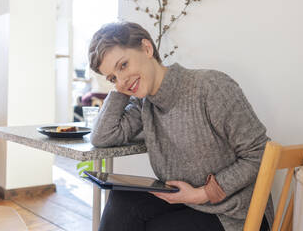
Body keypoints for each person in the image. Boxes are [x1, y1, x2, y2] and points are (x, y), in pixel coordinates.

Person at [88, 22, 274, 231]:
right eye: (112, 77)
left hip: (235, 215)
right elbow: (103, 137)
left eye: (123, 65)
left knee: (155, 227)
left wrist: (203, 193)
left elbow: (260, 153)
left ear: (147, 49)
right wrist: (121, 87)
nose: (120, 79)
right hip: (188, 203)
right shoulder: (144, 103)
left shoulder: (210, 87)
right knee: (122, 200)